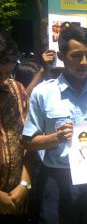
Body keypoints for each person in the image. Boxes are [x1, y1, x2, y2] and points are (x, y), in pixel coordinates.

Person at [22, 26, 87, 223]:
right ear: (62, 56)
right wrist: (57, 138)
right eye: (76, 55)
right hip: (56, 179)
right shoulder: (43, 93)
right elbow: (28, 142)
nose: (84, 62)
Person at [0, 33, 31, 223]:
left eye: (7, 73)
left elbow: (30, 142)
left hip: (17, 201)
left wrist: (24, 184)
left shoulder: (17, 90)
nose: (3, 79)